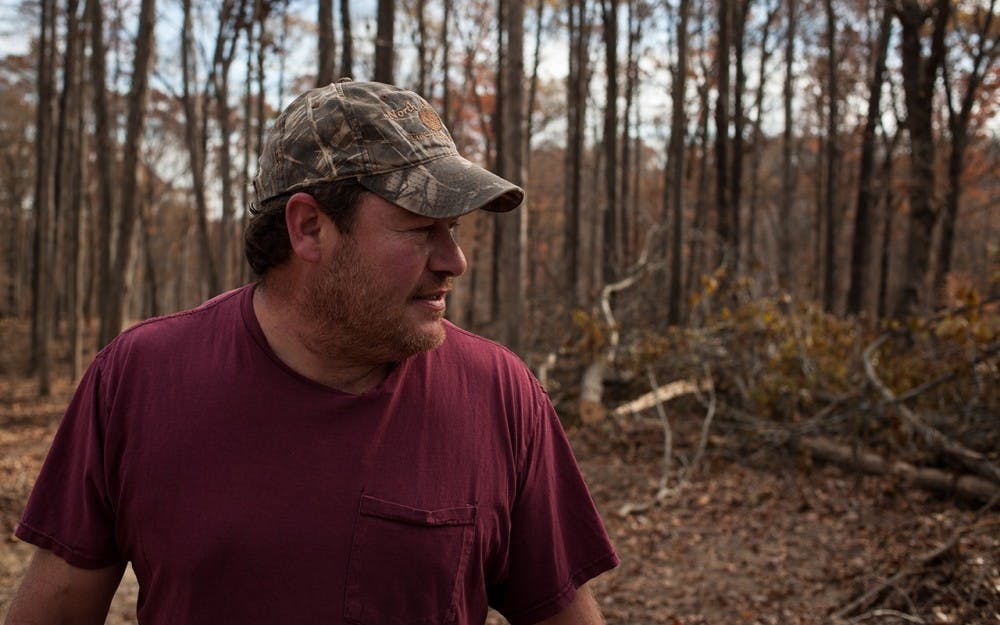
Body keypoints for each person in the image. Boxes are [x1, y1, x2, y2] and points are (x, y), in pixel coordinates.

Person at [4, 79, 618, 625]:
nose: (453, 261)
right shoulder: (138, 380)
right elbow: (55, 607)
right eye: (420, 226)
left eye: (453, 228)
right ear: (310, 228)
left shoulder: (498, 394)